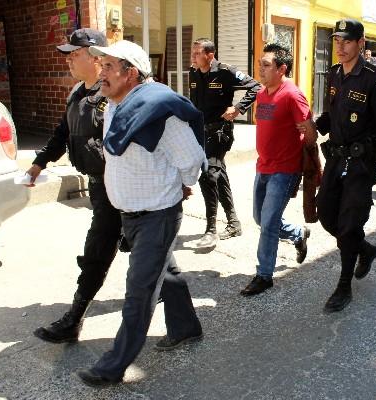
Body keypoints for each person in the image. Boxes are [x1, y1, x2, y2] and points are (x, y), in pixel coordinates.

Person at [75, 40, 205, 387]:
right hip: (129, 214)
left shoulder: (159, 112)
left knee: (140, 290)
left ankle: (113, 365)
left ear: (130, 72)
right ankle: (187, 327)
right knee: (168, 272)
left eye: (108, 67)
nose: (100, 73)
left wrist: (177, 183)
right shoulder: (116, 104)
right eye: (100, 66)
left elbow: (192, 161)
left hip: (156, 216)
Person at [27, 29, 122, 344]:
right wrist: (40, 162)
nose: (68, 59)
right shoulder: (77, 93)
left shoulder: (114, 93)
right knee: (118, 250)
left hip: (123, 187)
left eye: (75, 53)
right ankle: (75, 320)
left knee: (121, 250)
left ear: (95, 56)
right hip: (100, 187)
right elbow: (61, 132)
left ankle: (74, 319)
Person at [314, 19, 376, 312]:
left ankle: (344, 286)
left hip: (362, 163)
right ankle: (365, 249)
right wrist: (314, 126)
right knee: (324, 213)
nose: (340, 46)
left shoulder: (375, 78)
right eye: (337, 40)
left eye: (346, 41)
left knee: (349, 224)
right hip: (336, 158)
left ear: (360, 43)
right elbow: (331, 114)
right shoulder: (336, 73)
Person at [239, 43, 316, 296]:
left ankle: (264, 275)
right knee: (261, 219)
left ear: (282, 69)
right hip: (264, 166)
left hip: (285, 169)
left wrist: (304, 160)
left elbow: (310, 132)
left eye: (266, 65)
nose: (260, 69)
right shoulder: (262, 93)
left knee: (269, 223)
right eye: (260, 63)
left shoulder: (292, 95)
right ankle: (297, 234)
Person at [189, 38, 261, 248]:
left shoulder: (225, 72)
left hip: (220, 132)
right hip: (201, 133)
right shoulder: (193, 73)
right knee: (219, 175)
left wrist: (238, 108)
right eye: (192, 53)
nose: (193, 57)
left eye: (196, 53)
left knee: (209, 175)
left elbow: (255, 86)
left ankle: (211, 230)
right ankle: (233, 222)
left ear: (209, 55)